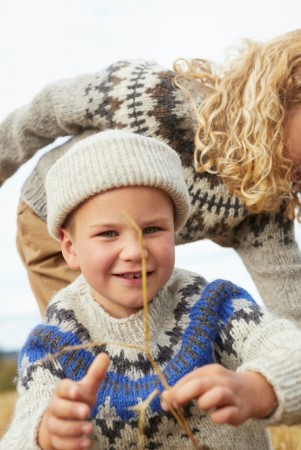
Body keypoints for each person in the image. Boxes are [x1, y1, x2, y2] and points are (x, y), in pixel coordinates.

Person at [1, 130, 301, 450]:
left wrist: (257, 388)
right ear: (70, 248)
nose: (134, 250)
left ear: (175, 231)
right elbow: (19, 436)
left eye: (152, 229)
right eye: (108, 233)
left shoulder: (217, 307)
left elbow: (291, 350)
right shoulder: (54, 344)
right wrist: (46, 434)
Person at [1, 29, 301, 320]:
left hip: (135, 254)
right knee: (87, 339)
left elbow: (287, 295)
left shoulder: (261, 199)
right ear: (275, 104)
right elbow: (48, 110)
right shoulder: (151, 97)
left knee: (151, 339)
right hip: (50, 221)